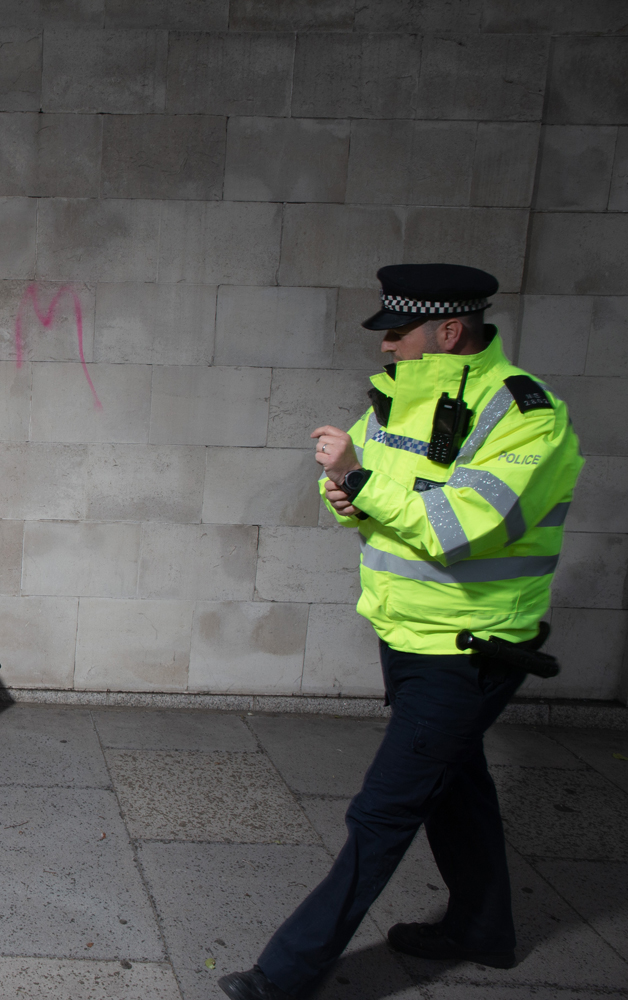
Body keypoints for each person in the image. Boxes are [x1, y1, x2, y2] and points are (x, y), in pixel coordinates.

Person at [220, 264, 584, 1000]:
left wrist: (359, 483)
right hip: (410, 635)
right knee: (456, 785)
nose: (386, 344)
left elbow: (460, 530)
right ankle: (483, 928)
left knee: (383, 812)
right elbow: (360, 500)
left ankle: (283, 978)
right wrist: (346, 496)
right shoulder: (394, 400)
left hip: (471, 647)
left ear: (448, 331)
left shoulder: (525, 414)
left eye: (398, 330)